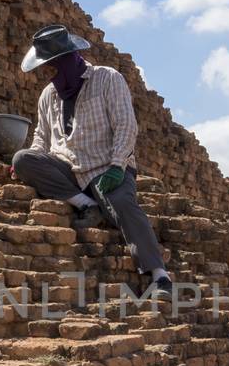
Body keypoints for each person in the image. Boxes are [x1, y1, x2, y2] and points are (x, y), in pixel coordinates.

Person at [10, 24, 174, 300]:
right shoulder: (49, 95)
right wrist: (28, 164)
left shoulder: (108, 79)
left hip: (104, 168)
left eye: (52, 66)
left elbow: (126, 126)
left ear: (67, 59)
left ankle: (160, 275)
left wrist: (117, 166)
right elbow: (41, 137)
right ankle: (86, 205)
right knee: (23, 158)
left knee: (122, 204)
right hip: (67, 170)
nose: (49, 74)